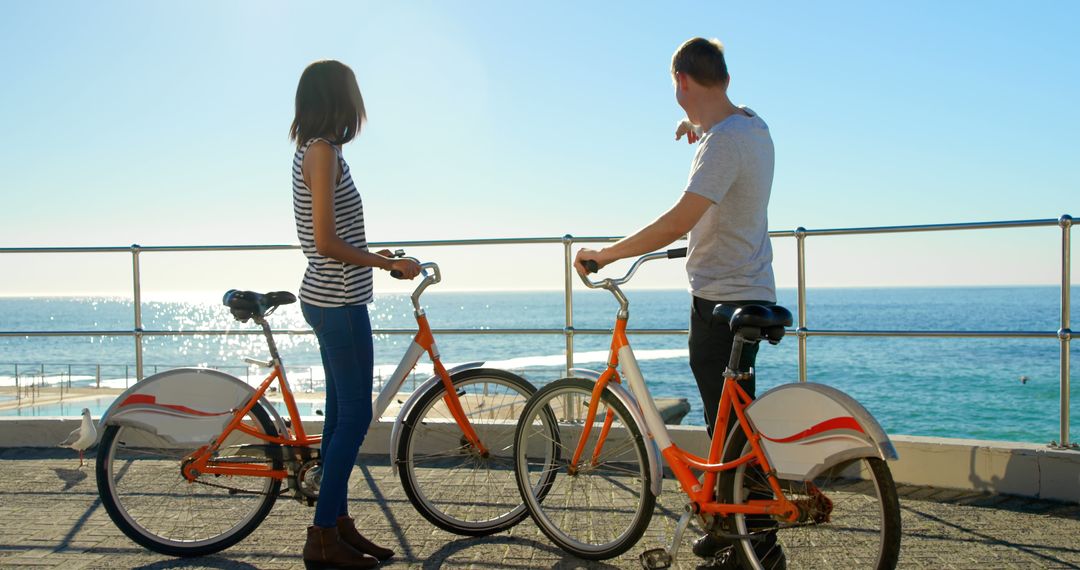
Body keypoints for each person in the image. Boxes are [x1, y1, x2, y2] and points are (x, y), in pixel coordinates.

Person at [573, 37, 777, 566]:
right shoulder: (751, 126)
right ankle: (726, 520)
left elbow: (677, 222)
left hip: (720, 299)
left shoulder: (724, 143)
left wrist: (608, 254)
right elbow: (726, 149)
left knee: (731, 428)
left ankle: (758, 545)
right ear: (723, 78)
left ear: (681, 81)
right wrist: (701, 129)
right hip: (750, 287)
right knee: (728, 419)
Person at [290, 59, 421, 569]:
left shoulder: (320, 151)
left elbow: (333, 234)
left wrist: (374, 254)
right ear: (338, 100)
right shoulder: (321, 153)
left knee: (342, 417)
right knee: (355, 417)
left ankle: (339, 525)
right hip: (336, 303)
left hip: (333, 299)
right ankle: (322, 537)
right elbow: (323, 240)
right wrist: (386, 263)